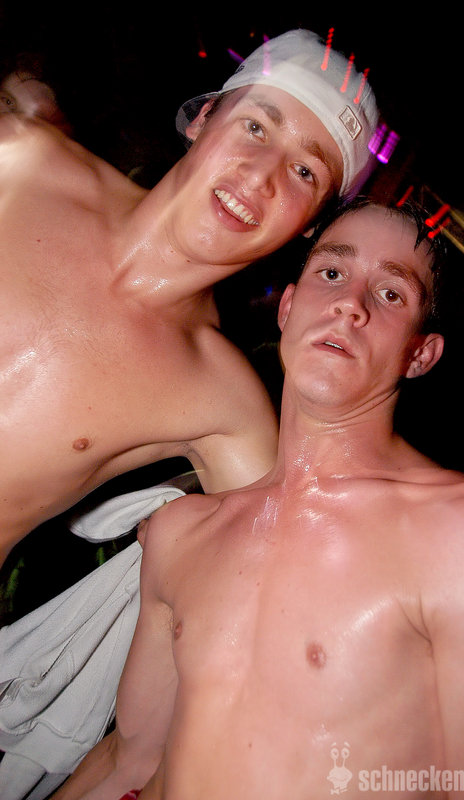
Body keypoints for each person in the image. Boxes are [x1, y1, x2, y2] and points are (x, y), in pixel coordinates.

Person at [0, 29, 378, 800]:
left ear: (310, 222)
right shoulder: (24, 163)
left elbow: (288, 618)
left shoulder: (221, 401)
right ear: (204, 117)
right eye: (257, 126)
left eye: (305, 170)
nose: (262, 175)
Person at [52, 199, 464, 800]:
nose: (350, 304)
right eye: (332, 272)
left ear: (420, 354)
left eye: (390, 294)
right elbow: (129, 758)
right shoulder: (183, 532)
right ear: (287, 307)